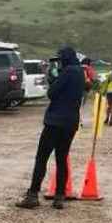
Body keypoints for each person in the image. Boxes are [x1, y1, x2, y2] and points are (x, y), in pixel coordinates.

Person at [17, 46, 85, 210]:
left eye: (60, 59)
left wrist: (53, 75)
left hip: (55, 122)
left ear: (65, 59)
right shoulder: (80, 72)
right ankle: (59, 197)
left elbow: (52, 93)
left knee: (42, 157)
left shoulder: (68, 72)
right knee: (62, 159)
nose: (59, 63)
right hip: (70, 123)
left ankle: (33, 195)